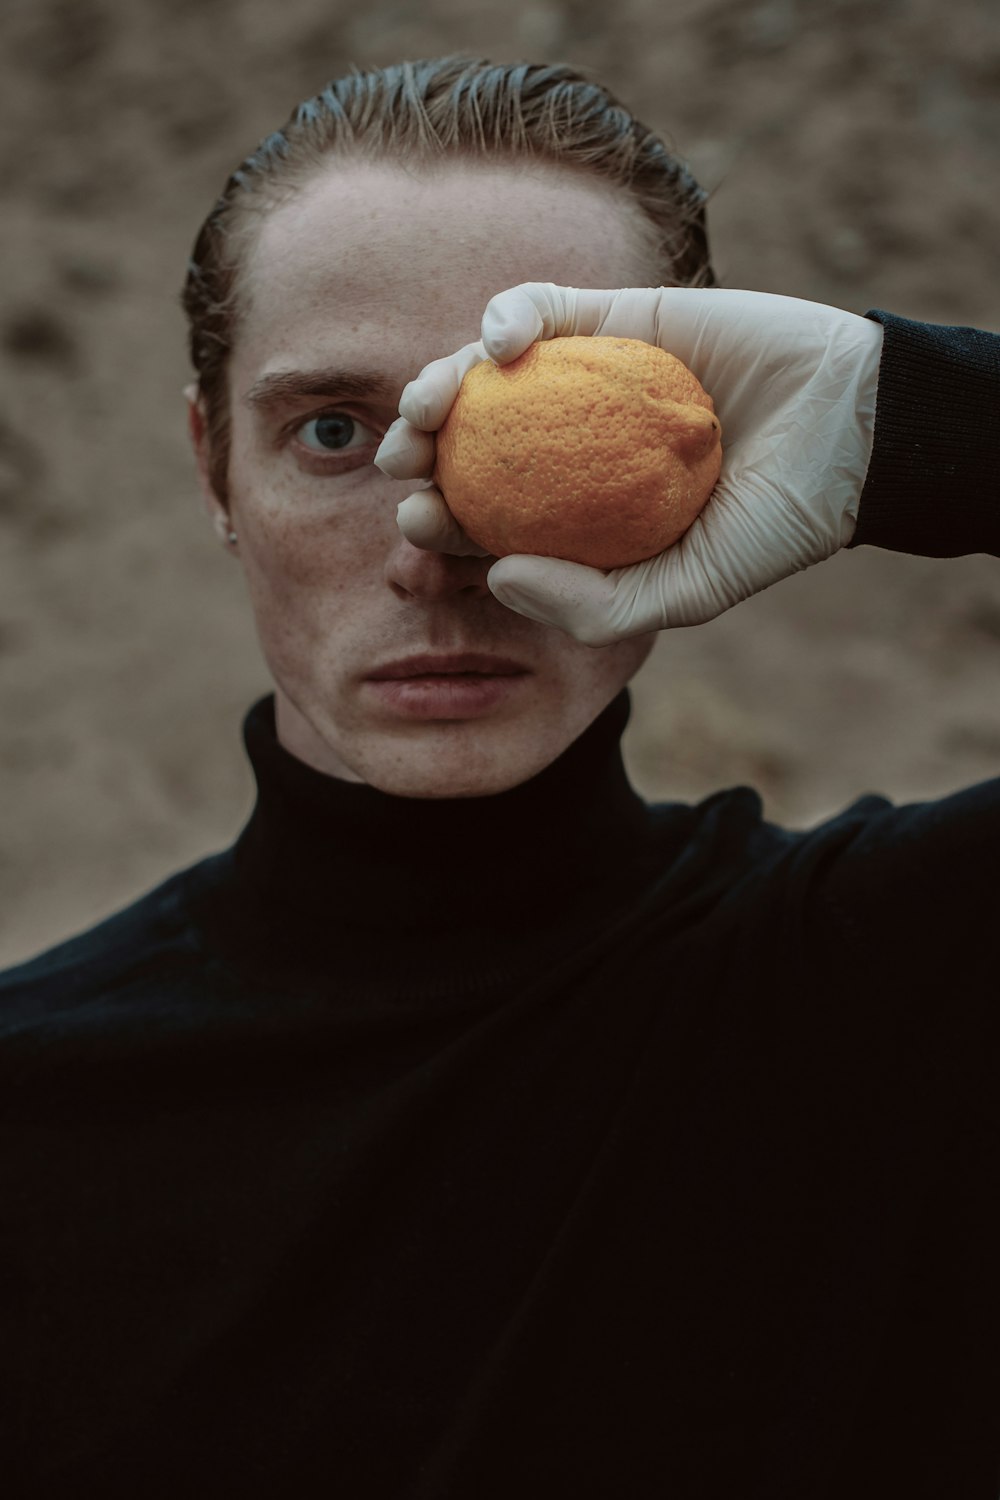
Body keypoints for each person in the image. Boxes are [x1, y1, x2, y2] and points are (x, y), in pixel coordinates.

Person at [1, 55, 997, 1499]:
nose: (433, 544)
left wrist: (920, 428)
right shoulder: (36, 1119)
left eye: (516, 429)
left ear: (713, 453)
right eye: (333, 433)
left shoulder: (914, 985)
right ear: (217, 470)